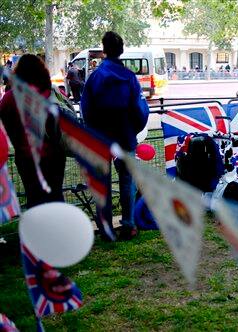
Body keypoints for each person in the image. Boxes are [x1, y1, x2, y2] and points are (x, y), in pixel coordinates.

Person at [81, 31, 149, 241]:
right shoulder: (129, 77)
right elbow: (140, 110)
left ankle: (106, 228)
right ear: (122, 50)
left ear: (104, 50)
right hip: (125, 135)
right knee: (127, 180)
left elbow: (86, 110)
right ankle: (128, 224)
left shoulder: (95, 78)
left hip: (101, 137)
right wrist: (133, 130)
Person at [0, 54, 67, 208]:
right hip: (54, 157)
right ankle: (59, 228)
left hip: (26, 158)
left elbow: (6, 125)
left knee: (34, 200)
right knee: (56, 197)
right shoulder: (51, 93)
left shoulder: (9, 99)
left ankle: (36, 230)